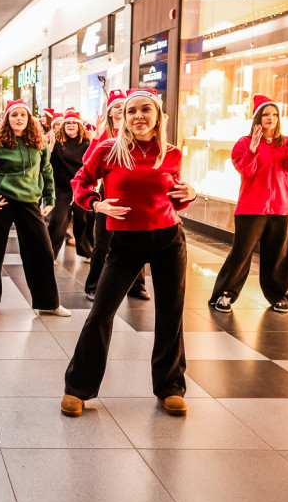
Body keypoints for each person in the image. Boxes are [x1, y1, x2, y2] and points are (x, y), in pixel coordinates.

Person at [63, 88, 196, 418]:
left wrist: (190, 193)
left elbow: (175, 199)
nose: (138, 116)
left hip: (168, 239)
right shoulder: (108, 150)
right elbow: (81, 182)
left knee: (170, 314)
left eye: (145, 110)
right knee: (101, 314)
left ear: (157, 117)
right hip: (124, 243)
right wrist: (96, 203)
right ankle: (78, 388)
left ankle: (170, 388)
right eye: (131, 110)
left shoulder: (172, 153)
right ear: (122, 117)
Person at [209, 95, 288, 313]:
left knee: (278, 256)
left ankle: (278, 295)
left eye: (274, 115)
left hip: (282, 208)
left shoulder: (287, 143)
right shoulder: (243, 143)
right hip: (251, 208)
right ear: (257, 118)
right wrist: (253, 149)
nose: (270, 118)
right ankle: (225, 294)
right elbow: (247, 170)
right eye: (265, 115)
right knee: (241, 254)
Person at [0, 100, 70, 318]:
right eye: (14, 115)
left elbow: (46, 171)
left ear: (29, 119)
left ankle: (49, 303)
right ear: (8, 119)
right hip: (2, 200)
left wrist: (50, 199)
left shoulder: (39, 142)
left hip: (29, 202)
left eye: (22, 115)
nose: (18, 118)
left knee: (43, 251)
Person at [82, 90, 150, 302]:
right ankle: (93, 286)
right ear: (110, 112)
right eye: (117, 107)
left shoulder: (138, 132)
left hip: (135, 193)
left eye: (124, 107)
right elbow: (86, 163)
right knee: (103, 243)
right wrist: (95, 139)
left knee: (137, 240)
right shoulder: (103, 134)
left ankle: (136, 286)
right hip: (108, 194)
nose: (120, 110)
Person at [47, 108, 93, 260]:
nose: (71, 125)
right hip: (63, 189)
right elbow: (47, 163)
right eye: (67, 123)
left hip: (82, 188)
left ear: (79, 125)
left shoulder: (86, 142)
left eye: (74, 123)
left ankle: (87, 253)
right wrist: (51, 145)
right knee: (57, 220)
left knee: (83, 221)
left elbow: (92, 162)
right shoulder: (59, 143)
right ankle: (50, 255)